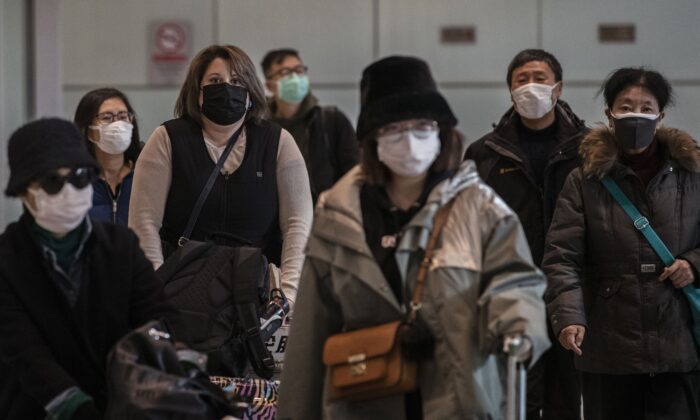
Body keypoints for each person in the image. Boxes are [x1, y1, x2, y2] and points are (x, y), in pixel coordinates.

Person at [277, 56, 550, 420]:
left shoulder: (479, 208)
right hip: (363, 400)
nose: (410, 140)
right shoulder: (339, 216)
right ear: (373, 139)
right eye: (394, 128)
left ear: (442, 131)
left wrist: (519, 324)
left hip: (456, 398)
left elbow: (513, 279)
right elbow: (311, 333)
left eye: (422, 125)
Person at [543, 68, 700, 420]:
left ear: (660, 117)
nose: (636, 115)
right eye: (626, 106)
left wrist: (693, 263)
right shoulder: (584, 178)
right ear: (609, 115)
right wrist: (569, 317)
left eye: (646, 108)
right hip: (608, 345)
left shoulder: (692, 172)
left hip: (678, 344)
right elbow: (562, 257)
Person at [0, 118, 172, 419]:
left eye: (80, 177)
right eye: (53, 181)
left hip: (119, 402)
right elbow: (26, 354)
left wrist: (176, 380)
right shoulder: (6, 259)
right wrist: (80, 410)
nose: (69, 190)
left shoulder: (120, 246)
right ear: (25, 191)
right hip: (36, 407)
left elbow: (156, 316)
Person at [129, 44, 312, 308]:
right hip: (184, 295)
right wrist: (157, 291)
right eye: (215, 80)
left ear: (250, 92)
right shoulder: (167, 139)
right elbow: (143, 223)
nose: (227, 87)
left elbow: (298, 224)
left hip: (257, 296)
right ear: (198, 90)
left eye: (237, 81)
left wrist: (288, 294)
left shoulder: (278, 142)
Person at [464, 48, 586, 420]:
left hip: (575, 293)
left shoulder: (589, 150)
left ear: (558, 88)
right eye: (522, 80)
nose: (531, 86)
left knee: (569, 401)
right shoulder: (484, 154)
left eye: (540, 78)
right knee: (515, 399)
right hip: (510, 295)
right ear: (510, 90)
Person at [261, 48, 359, 202]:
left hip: (325, 214)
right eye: (285, 72)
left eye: (299, 70)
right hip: (275, 215)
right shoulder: (261, 127)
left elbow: (354, 171)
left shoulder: (331, 121)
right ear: (270, 85)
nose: (294, 77)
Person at [74, 87, 141, 225]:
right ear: (87, 129)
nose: (117, 124)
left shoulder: (143, 175)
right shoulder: (75, 181)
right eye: (106, 117)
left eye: (123, 117)